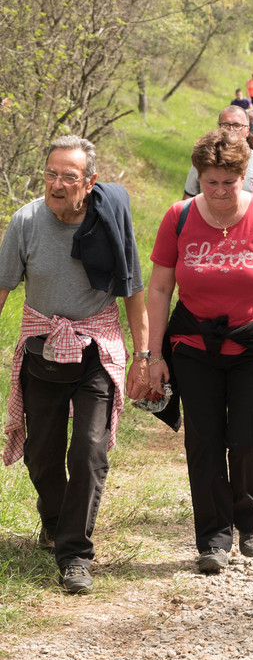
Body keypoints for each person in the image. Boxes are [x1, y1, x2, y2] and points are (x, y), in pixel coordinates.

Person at [145, 128, 253, 575]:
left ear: (246, 177)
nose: (219, 192)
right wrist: (151, 354)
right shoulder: (178, 217)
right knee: (203, 441)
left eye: (229, 182)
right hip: (193, 344)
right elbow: (160, 288)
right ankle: (213, 538)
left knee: (246, 440)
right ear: (199, 177)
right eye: (210, 182)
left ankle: (249, 518)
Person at [0, 137, 149, 595]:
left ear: (90, 181)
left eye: (69, 176)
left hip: (95, 349)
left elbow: (134, 293)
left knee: (88, 450)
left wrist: (143, 357)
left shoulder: (110, 221)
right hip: (42, 348)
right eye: (51, 174)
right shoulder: (26, 221)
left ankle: (76, 554)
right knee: (42, 456)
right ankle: (57, 522)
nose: (57, 185)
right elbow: (2, 288)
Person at [183, 107, 253, 203]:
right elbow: (188, 200)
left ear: (247, 130)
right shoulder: (203, 160)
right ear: (219, 128)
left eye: (237, 125)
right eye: (225, 125)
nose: (231, 130)